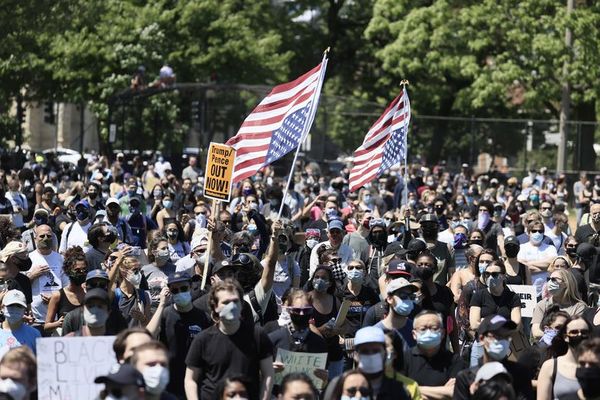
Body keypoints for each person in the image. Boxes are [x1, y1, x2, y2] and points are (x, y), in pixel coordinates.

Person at [184, 278, 274, 400]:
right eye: (226, 302)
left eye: (235, 301)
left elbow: (268, 374)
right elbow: (190, 379)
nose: (232, 306)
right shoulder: (202, 340)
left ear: (242, 305)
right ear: (215, 306)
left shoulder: (257, 335)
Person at [146, 272, 211, 398]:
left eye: (184, 288)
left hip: (196, 382)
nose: (180, 292)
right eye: (175, 290)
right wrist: (161, 304)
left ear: (191, 287)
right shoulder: (165, 314)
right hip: (170, 383)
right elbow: (148, 336)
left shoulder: (204, 317)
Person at [323, 326, 417, 400]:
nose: (371, 355)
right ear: (356, 355)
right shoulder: (339, 384)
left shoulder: (399, 389)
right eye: (365, 351)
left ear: (384, 353)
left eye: (376, 351)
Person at [453, 314, 534, 400]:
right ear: (481, 339)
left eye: (505, 336)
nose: (501, 341)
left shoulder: (520, 373)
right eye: (496, 336)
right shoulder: (466, 378)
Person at [469, 259, 522, 367]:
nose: (490, 277)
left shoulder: (512, 297)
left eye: (494, 274)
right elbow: (474, 324)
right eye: (487, 274)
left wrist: (485, 323)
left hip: (504, 344)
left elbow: (516, 325)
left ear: (503, 276)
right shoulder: (478, 295)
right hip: (482, 344)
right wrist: (504, 324)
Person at [404, 310, 465, 399]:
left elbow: (453, 392)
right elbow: (397, 391)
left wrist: (411, 389)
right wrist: (442, 391)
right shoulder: (403, 359)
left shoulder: (454, 361)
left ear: (443, 333)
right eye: (423, 329)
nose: (428, 332)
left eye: (434, 328)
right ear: (414, 334)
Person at [536, 317, 591, 400]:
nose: (579, 335)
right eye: (574, 332)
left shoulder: (596, 367)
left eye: (584, 332)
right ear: (565, 337)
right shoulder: (550, 367)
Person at [307, 265, 345, 379]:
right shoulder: (305, 299)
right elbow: (301, 327)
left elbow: (346, 325)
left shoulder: (335, 300)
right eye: (317, 277)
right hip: (313, 354)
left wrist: (337, 330)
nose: (319, 280)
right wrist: (320, 330)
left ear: (330, 283)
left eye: (323, 278)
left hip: (334, 354)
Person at [26, 224, 66, 331]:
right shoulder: (28, 259)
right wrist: (32, 276)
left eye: (48, 236)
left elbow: (67, 286)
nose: (45, 239)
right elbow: (20, 286)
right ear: (35, 239)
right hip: (35, 318)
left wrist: (55, 298)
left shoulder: (60, 259)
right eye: (42, 236)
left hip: (57, 318)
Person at [531, 268, 587, 339]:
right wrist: (556, 337)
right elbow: (536, 332)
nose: (550, 283)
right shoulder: (542, 305)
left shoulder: (579, 307)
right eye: (549, 279)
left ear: (565, 284)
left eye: (554, 279)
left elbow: (575, 332)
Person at [44, 246, 87, 334]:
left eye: (84, 270)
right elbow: (46, 326)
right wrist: (58, 323)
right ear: (68, 270)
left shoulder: (89, 294)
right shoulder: (58, 296)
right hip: (66, 342)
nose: (81, 273)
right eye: (77, 270)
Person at [518, 220, 558, 299]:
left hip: (546, 292)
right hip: (528, 291)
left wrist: (529, 264)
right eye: (534, 231)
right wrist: (546, 268)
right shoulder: (522, 248)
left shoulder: (550, 248)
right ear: (529, 233)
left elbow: (553, 264)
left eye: (540, 231)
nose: (537, 233)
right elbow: (522, 267)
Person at [142, 235, 176, 311]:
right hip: (151, 311)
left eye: (167, 248)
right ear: (154, 252)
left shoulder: (175, 269)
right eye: (163, 248)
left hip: (169, 310)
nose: (167, 251)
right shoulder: (145, 270)